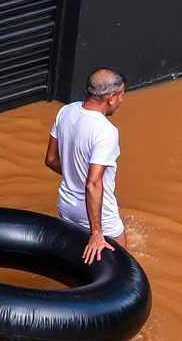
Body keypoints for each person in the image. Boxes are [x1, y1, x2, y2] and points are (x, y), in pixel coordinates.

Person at [45, 68, 128, 264]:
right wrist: (97, 233)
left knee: (75, 258)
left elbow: (50, 159)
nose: (122, 101)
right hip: (96, 210)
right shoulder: (106, 131)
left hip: (66, 203)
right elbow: (92, 184)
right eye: (122, 95)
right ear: (111, 97)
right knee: (122, 259)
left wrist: (75, 175)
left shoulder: (65, 111)